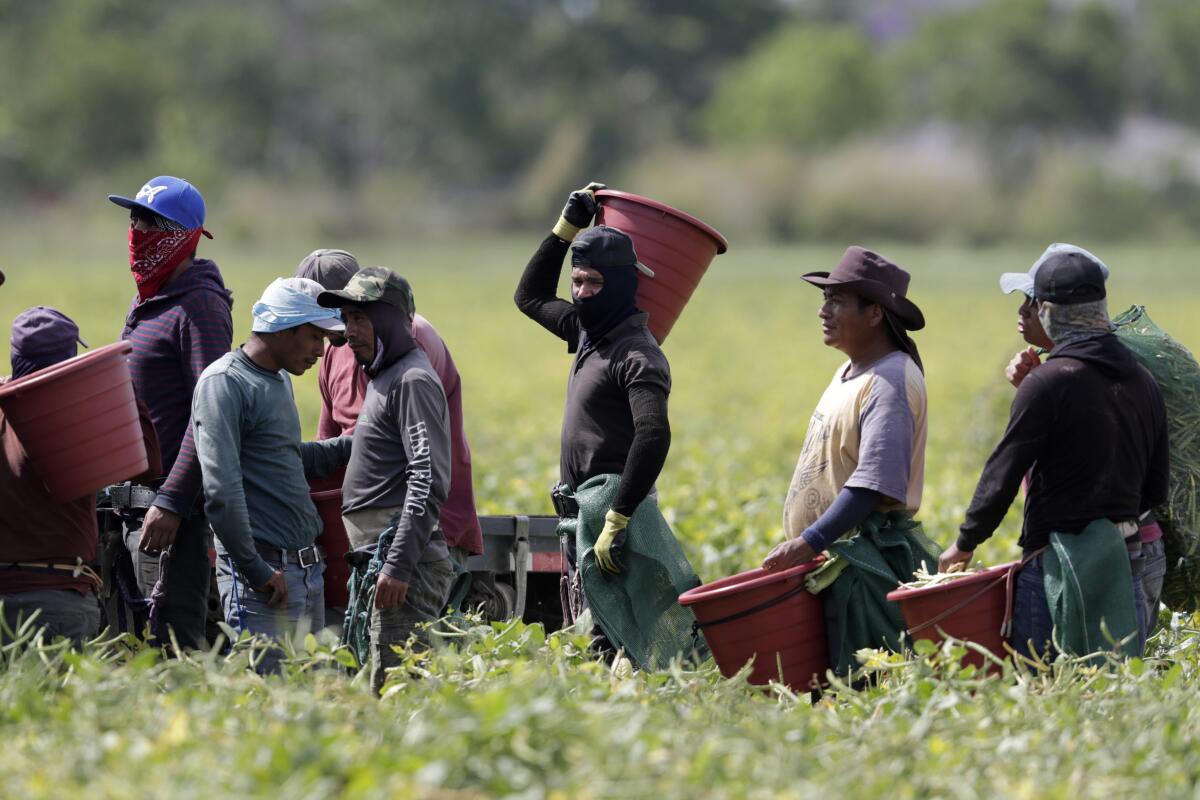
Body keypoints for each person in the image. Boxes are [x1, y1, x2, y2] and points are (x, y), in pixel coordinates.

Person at [940, 250, 1169, 659]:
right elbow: (1155, 486)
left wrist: (966, 541)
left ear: (1046, 311)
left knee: (1048, 685)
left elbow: (1003, 470)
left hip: (1055, 567)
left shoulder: (1047, 383)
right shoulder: (1143, 380)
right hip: (1124, 563)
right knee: (1115, 692)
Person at [761, 246, 933, 675]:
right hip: (832, 564)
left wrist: (809, 541)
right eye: (825, 299)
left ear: (874, 313)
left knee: (860, 688)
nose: (824, 310)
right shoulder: (852, 372)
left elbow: (873, 484)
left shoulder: (889, 381)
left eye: (837, 300)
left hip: (861, 568)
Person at [514, 183, 672, 622]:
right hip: (582, 512)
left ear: (622, 285)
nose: (582, 292)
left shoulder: (637, 354)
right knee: (585, 624)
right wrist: (566, 229)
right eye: (577, 281)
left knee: (614, 633)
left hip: (614, 516)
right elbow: (529, 297)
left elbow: (654, 434)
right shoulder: (587, 334)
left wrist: (619, 519)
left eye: (595, 282)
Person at [999, 244, 1167, 637]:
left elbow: (1047, 479)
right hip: (1126, 545)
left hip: (1108, 551)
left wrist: (967, 541)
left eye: (1033, 301)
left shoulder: (1094, 378)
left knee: (1081, 675)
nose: (1023, 312)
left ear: (1056, 309)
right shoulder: (1090, 372)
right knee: (1114, 676)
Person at [191, 278, 351, 652]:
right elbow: (221, 493)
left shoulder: (278, 379)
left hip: (306, 571)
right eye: (315, 337)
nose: (319, 351)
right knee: (268, 696)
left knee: (305, 696)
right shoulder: (225, 383)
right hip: (266, 579)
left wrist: (363, 442)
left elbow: (287, 460)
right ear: (284, 327)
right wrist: (256, 570)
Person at [295, 249, 484, 563]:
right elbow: (330, 442)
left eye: (354, 314)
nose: (344, 327)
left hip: (418, 533)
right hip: (376, 533)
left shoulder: (401, 347)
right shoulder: (336, 351)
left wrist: (397, 562)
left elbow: (404, 460)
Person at [109, 176, 233, 649]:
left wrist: (174, 501)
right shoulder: (147, 303)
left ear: (185, 238)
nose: (138, 230)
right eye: (134, 218)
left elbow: (210, 414)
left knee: (175, 640)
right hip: (139, 505)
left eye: (152, 223)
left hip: (175, 512)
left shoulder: (199, 306)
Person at [316, 267, 454, 694]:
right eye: (346, 318)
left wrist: (396, 564)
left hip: (401, 565)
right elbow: (354, 446)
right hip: (380, 559)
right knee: (382, 683)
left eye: (360, 318)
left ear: (392, 319)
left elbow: (426, 478)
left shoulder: (411, 380)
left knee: (399, 690)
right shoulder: (384, 377)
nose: (349, 330)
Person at [1, 308, 160, 645]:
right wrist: (125, 390)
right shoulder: (75, 422)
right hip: (57, 596)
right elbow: (148, 465)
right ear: (69, 357)